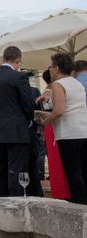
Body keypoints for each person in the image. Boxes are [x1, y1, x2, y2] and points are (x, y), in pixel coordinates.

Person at [0, 46, 35, 197]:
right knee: (16, 168)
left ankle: (0, 199)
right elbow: (27, 103)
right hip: (16, 130)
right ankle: (16, 200)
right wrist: (30, 120)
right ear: (17, 61)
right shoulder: (19, 77)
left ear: (3, 58)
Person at [39, 53, 87, 204]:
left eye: (51, 67)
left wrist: (45, 121)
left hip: (68, 133)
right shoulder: (76, 83)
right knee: (83, 170)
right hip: (83, 129)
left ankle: (79, 204)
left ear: (57, 68)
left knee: (73, 172)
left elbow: (59, 110)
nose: (51, 70)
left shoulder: (58, 84)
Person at [37, 70, 70, 199]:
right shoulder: (54, 89)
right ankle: (62, 189)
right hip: (54, 125)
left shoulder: (50, 90)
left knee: (55, 158)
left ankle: (60, 189)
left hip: (51, 126)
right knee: (57, 158)